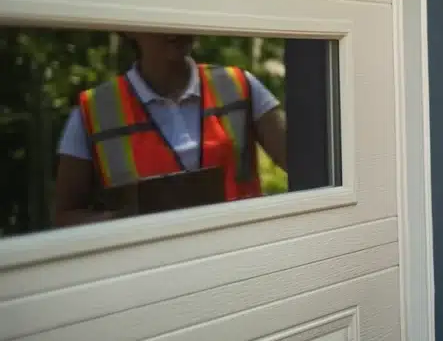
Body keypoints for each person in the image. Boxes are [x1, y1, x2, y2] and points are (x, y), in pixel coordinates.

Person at [53, 32, 287, 227]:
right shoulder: (94, 110)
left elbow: (302, 161)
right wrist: (122, 223)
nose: (175, 26)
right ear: (129, 29)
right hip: (151, 262)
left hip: (240, 254)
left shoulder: (237, 84)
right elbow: (65, 216)